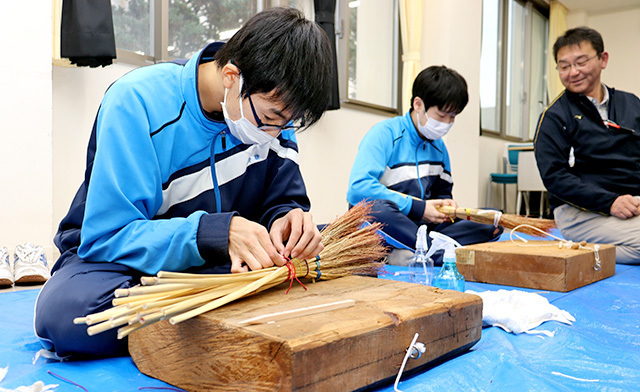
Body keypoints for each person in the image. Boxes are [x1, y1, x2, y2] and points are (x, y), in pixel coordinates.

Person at [34, 7, 333, 358]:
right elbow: (107, 237)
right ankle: (221, 307)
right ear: (232, 77)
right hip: (125, 262)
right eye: (270, 118)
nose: (277, 134)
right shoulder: (138, 101)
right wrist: (211, 234)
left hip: (223, 263)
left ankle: (199, 312)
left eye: (288, 124)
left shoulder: (273, 116)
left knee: (330, 253)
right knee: (71, 316)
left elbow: (282, 200)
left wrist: (290, 218)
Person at [346, 66, 502, 255]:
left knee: (491, 219)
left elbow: (442, 194)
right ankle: (433, 252)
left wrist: (447, 208)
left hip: (422, 228)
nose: (446, 124)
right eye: (441, 115)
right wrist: (418, 207)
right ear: (418, 104)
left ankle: (419, 250)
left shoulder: (439, 147)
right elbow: (358, 189)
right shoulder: (385, 134)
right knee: (376, 210)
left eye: (452, 117)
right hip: (390, 223)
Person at [534, 26, 640, 264]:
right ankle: (583, 252)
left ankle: (586, 250)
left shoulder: (631, 104)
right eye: (564, 66)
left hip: (632, 204)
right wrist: (610, 202)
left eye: (581, 62)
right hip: (580, 212)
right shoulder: (555, 117)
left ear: (603, 59)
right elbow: (555, 178)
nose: (573, 72)